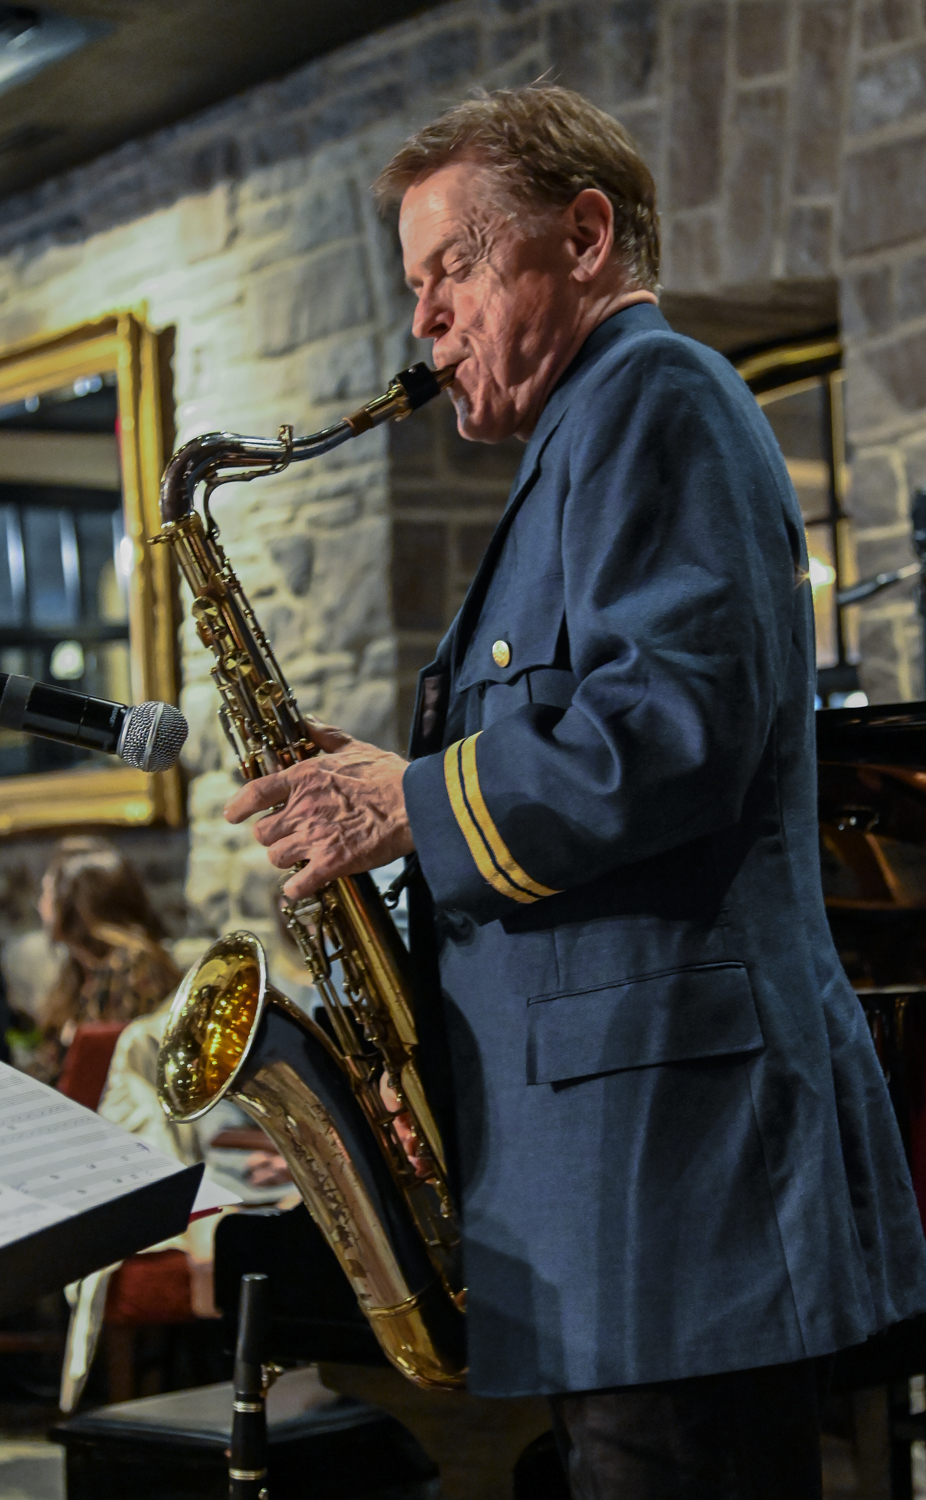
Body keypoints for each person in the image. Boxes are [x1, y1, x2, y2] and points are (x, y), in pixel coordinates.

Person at [224, 86, 926, 1498]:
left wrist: (409, 801)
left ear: (586, 235)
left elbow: (669, 730)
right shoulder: (582, 444)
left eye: (453, 271)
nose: (422, 322)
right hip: (619, 1178)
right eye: (413, 284)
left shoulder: (656, 402)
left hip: (678, 1188)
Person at [33, 835, 180, 1083]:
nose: (40, 904)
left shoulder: (135, 966)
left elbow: (110, 1070)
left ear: (72, 900)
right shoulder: (79, 969)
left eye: (47, 890)